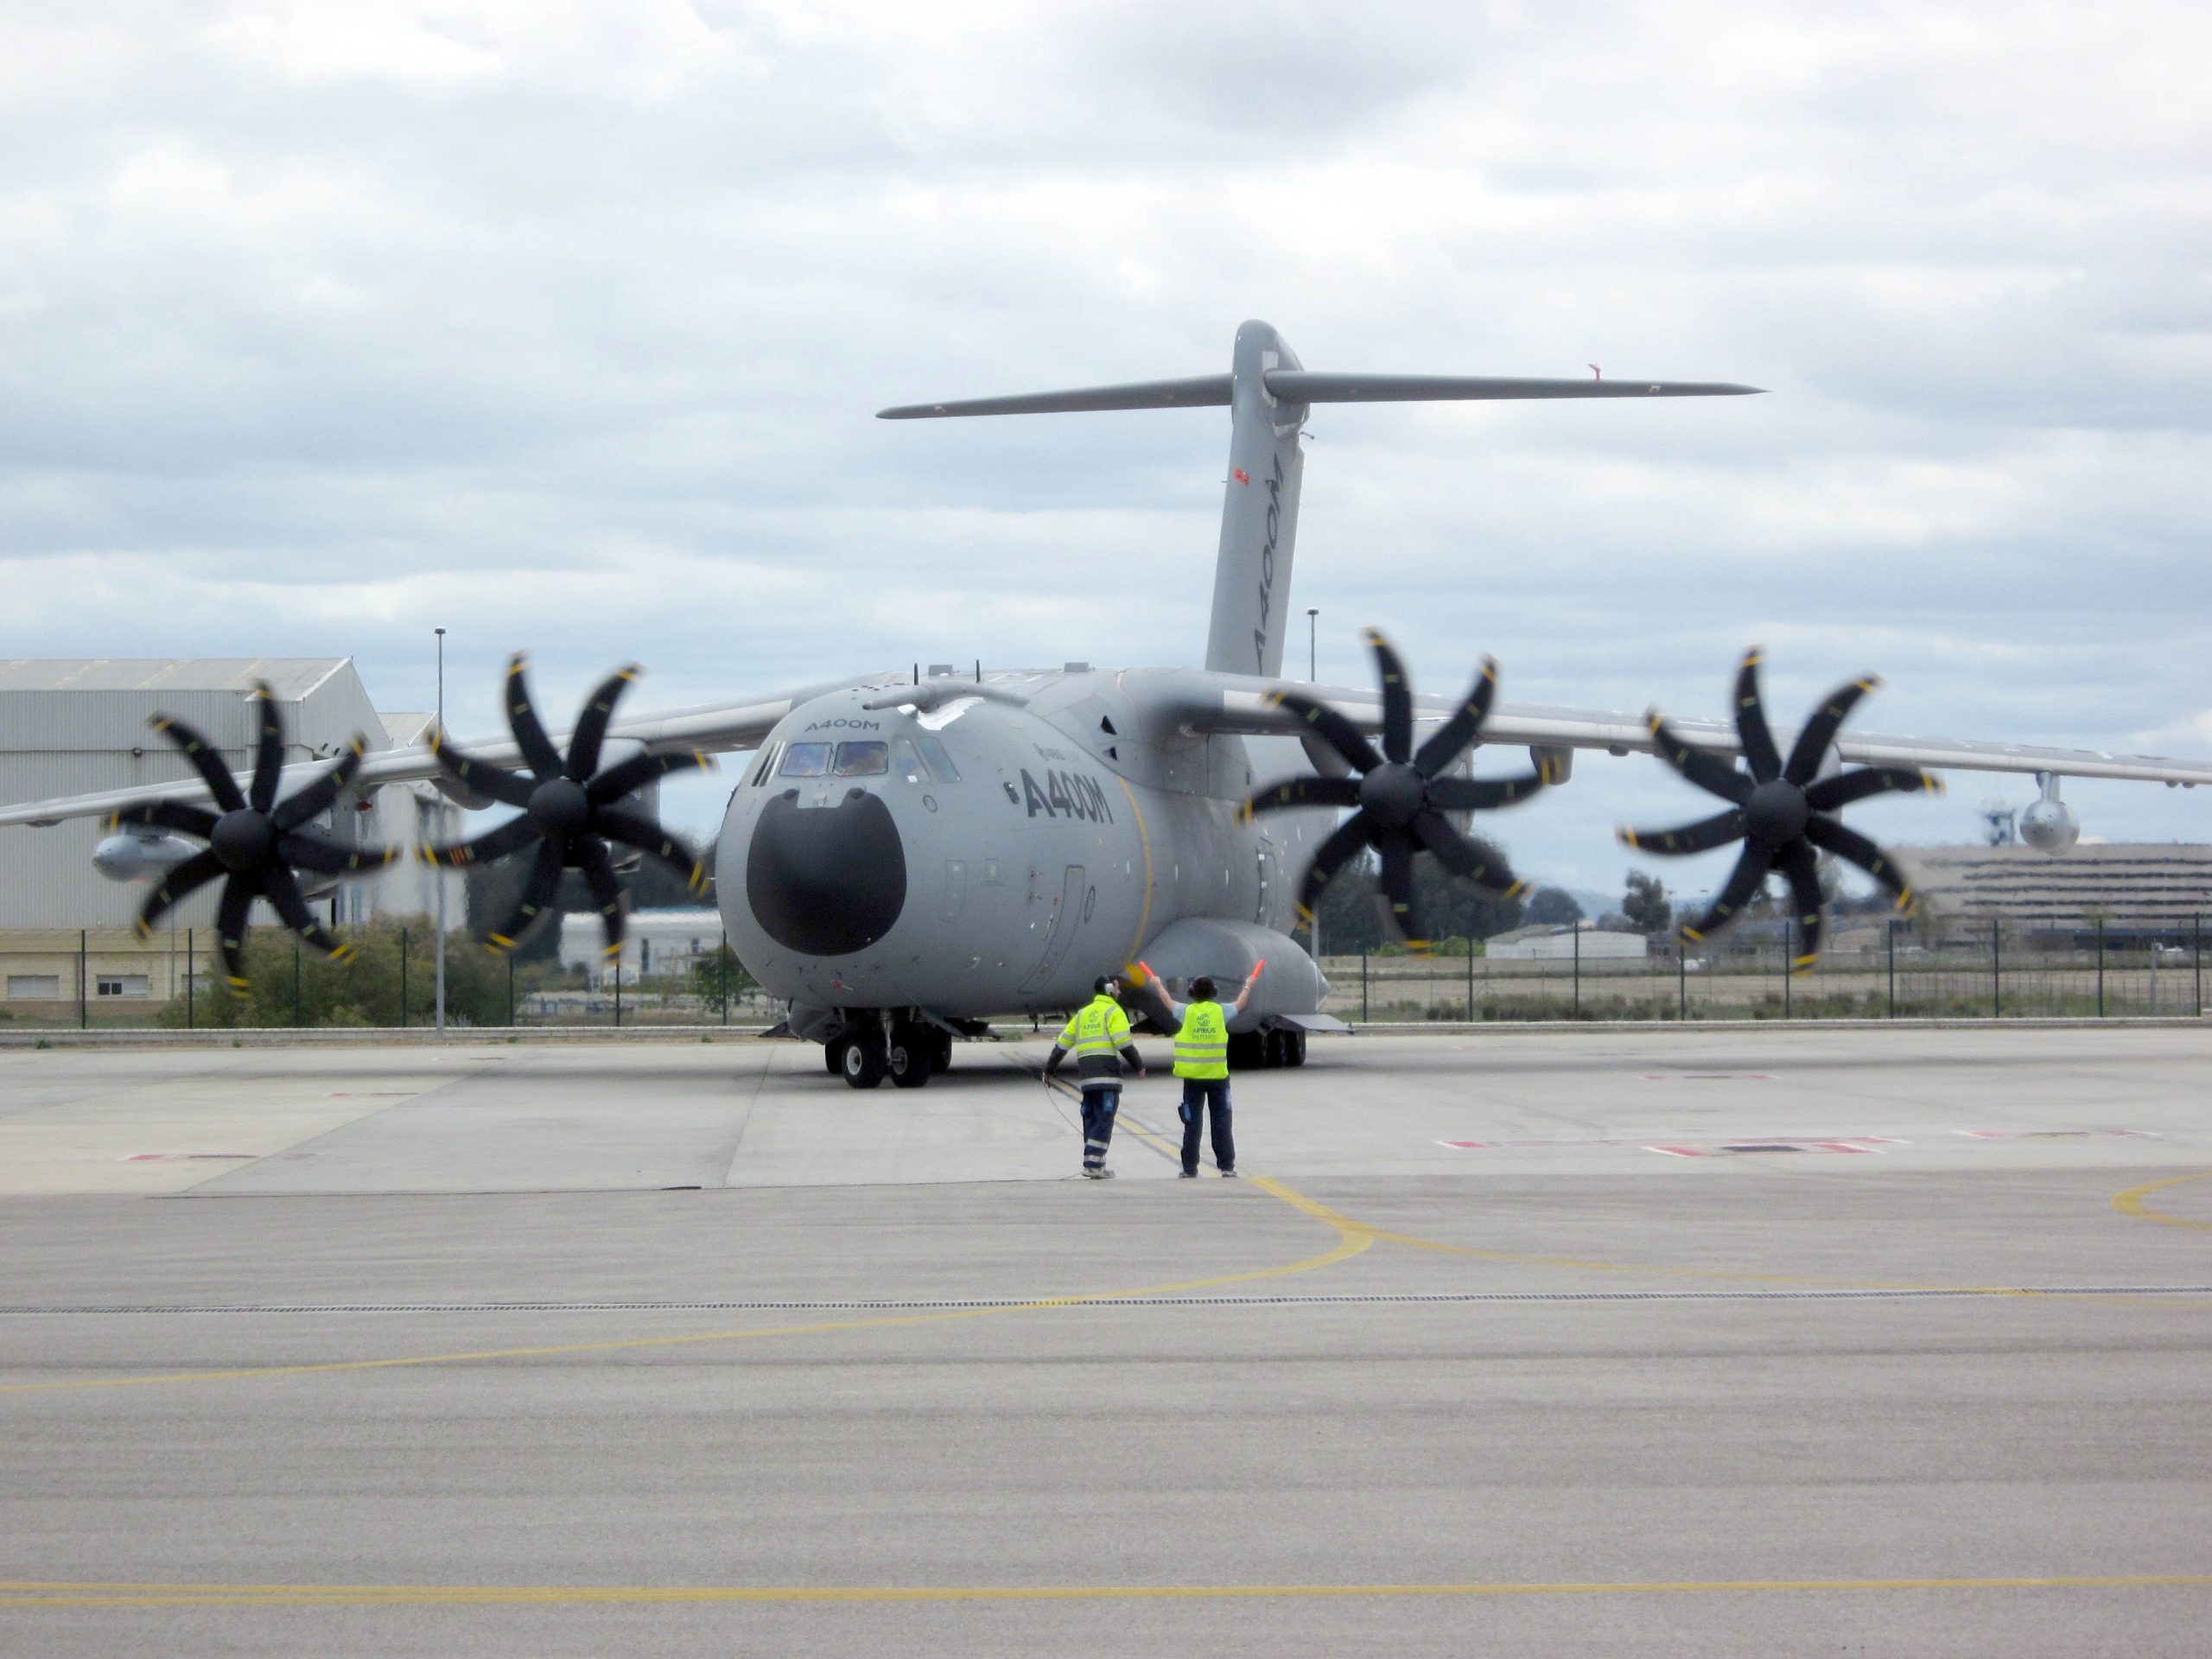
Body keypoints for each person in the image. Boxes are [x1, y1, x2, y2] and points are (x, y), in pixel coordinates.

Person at [1147, 963, 1262, 1179]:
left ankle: (1190, 1168)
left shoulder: (1186, 1011)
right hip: (1218, 1077)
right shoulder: (1221, 1011)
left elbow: (1168, 1002)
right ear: (1214, 993)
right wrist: (1248, 986)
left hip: (1192, 1078)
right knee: (1222, 1122)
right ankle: (1226, 1166)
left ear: (1192, 993)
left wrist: (1157, 985)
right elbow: (1241, 1003)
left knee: (1192, 1123)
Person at [1044, 975, 1146, 1179]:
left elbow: (1062, 1044)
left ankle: (1092, 1162)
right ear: (1109, 989)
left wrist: (1049, 1069)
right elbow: (1123, 1042)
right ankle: (1093, 1164)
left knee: (1090, 1118)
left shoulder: (1082, 1014)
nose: (1119, 992)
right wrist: (1138, 1065)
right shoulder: (1114, 1012)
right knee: (1104, 1119)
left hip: (1087, 1080)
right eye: (1117, 988)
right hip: (1107, 1076)